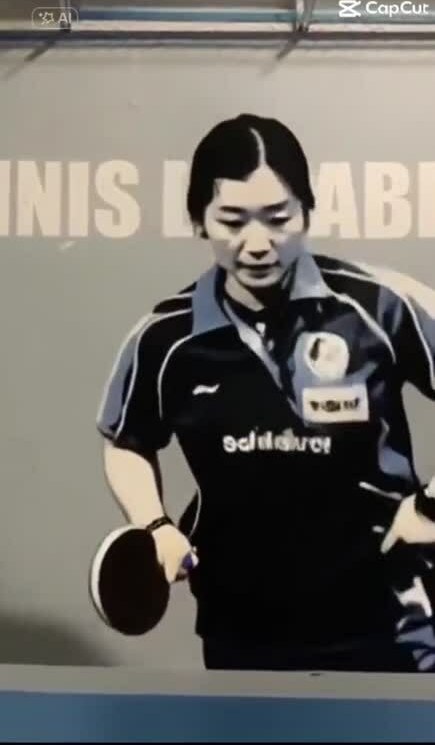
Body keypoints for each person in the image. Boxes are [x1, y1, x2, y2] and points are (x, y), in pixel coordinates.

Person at [96, 113, 435, 672]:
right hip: (242, 631)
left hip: (389, 623)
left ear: (307, 211)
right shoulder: (166, 338)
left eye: (278, 218)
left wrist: (429, 507)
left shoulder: (380, 306)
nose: (257, 244)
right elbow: (126, 441)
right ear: (199, 220)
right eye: (232, 221)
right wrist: (155, 525)